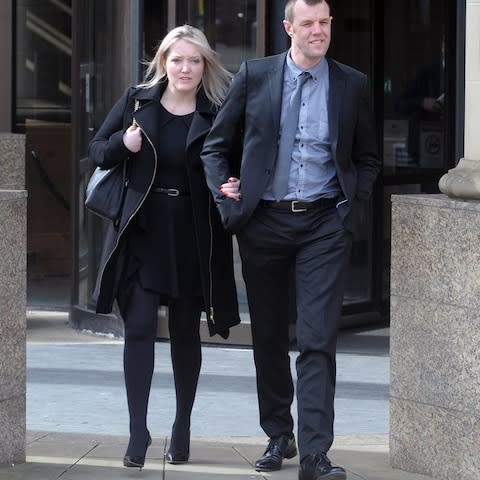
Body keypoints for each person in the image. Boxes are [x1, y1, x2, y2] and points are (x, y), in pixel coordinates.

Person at [201, 1, 380, 479]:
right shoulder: (256, 77)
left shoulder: (351, 83)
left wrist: (351, 209)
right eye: (309, 23)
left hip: (325, 222)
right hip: (265, 222)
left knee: (318, 338)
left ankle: (317, 454)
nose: (319, 31)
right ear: (288, 28)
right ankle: (279, 433)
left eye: (325, 23)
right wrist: (227, 197)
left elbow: (367, 157)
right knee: (270, 336)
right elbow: (216, 147)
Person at [88, 25, 240, 470]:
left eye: (194, 60)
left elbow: (237, 161)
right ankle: (138, 432)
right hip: (141, 231)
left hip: (192, 234)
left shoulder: (219, 109)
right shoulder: (138, 101)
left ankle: (182, 426)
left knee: (184, 336)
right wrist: (123, 143)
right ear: (163, 61)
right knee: (137, 330)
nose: (186, 68)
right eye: (177, 59)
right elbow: (97, 149)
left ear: (205, 65)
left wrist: (233, 182)